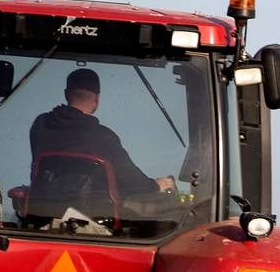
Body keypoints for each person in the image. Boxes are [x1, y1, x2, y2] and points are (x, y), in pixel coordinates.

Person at [29, 68, 176, 196]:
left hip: (42, 209)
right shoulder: (103, 136)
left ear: (66, 94)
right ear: (97, 98)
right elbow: (131, 180)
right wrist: (156, 185)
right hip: (92, 215)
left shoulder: (41, 124)